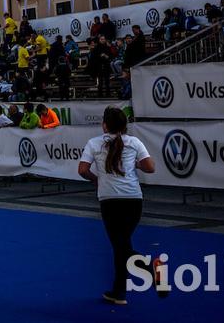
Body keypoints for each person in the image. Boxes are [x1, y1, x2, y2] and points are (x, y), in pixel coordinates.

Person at [78, 107, 158, 305]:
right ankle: (119, 291)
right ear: (124, 125)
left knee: (120, 246)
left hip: (110, 200)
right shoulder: (134, 142)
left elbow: (82, 170)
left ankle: (151, 268)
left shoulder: (94, 143)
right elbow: (150, 167)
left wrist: (96, 179)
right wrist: (135, 165)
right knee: (122, 245)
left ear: (104, 125)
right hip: (133, 200)